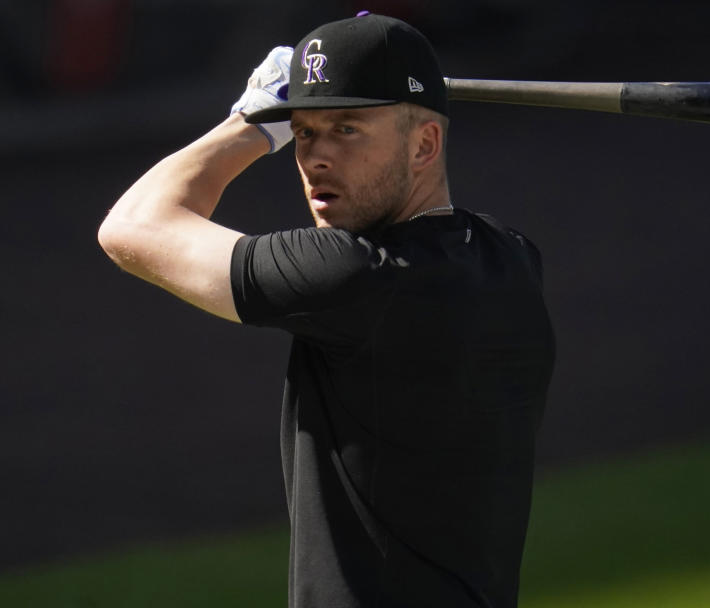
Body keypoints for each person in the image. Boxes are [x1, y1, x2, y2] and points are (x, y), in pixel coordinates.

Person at [97, 12, 555, 608]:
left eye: (347, 129)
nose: (315, 156)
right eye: (303, 131)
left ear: (424, 144)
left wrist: (250, 125)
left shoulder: (356, 276)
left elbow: (131, 227)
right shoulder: (511, 257)